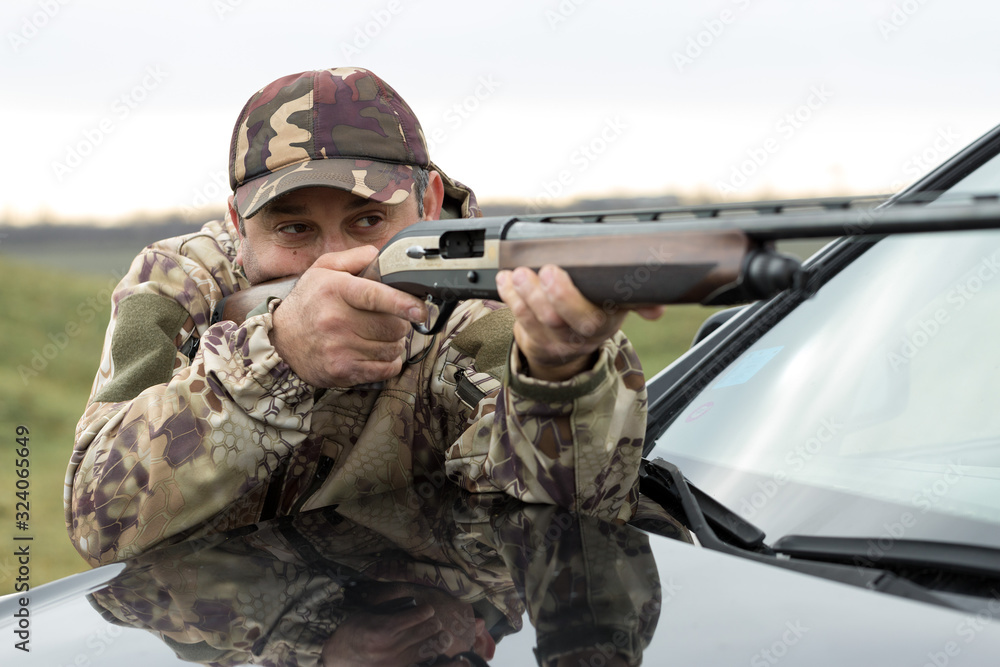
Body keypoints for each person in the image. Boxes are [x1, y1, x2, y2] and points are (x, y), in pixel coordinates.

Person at [65, 67, 661, 567]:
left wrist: (562, 373)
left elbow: (573, 526)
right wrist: (278, 356)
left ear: (427, 204)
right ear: (237, 225)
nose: (335, 264)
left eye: (368, 221)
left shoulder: (481, 308)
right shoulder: (179, 288)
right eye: (294, 228)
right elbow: (100, 522)